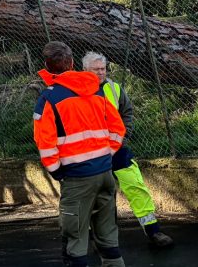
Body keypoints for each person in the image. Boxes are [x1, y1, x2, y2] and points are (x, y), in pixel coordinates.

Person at [34, 41, 127, 267]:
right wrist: (107, 154)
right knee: (108, 238)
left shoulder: (49, 98)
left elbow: (44, 142)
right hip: (104, 172)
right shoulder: (96, 90)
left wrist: (56, 171)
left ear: (46, 67)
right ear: (73, 63)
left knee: (74, 240)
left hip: (76, 178)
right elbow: (118, 129)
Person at [81, 52, 174, 248]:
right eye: (95, 69)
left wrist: (123, 136)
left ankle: (153, 231)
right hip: (91, 152)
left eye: (103, 69)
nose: (100, 73)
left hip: (117, 149)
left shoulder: (115, 89)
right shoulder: (76, 92)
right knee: (96, 193)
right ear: (84, 70)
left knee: (135, 185)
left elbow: (127, 113)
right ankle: (98, 233)